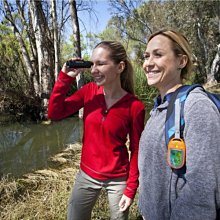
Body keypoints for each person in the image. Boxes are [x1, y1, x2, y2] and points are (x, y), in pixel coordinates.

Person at [48, 41, 145, 220]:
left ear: (120, 67)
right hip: (87, 174)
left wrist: (131, 188)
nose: (93, 70)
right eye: (92, 64)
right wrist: (64, 78)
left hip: (118, 178)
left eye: (100, 64)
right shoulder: (88, 92)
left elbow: (137, 149)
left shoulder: (135, 106)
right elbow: (54, 113)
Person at [138, 29, 220, 220]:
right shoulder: (159, 107)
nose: (148, 63)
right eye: (146, 56)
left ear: (181, 61)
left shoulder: (196, 106)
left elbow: (202, 189)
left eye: (158, 55)